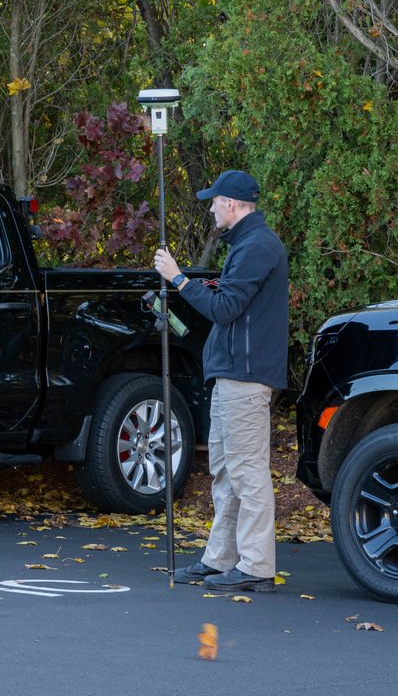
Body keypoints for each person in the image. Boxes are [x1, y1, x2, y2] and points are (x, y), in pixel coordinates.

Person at [153, 170, 288, 592]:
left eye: (214, 200)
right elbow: (228, 294)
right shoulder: (246, 246)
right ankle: (222, 559)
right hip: (232, 376)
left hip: (245, 378)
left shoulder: (258, 246)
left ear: (231, 203)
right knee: (226, 472)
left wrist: (178, 279)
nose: (210, 206)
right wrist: (192, 284)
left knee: (247, 473)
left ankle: (256, 566)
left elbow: (226, 308)